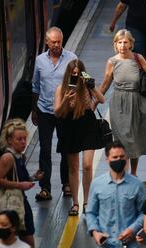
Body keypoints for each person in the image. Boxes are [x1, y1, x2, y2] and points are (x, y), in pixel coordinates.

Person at [99, 29, 146, 176]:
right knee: (123, 139)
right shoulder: (112, 62)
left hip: (137, 102)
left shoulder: (138, 58)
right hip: (119, 104)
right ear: (115, 44)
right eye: (119, 42)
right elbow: (105, 83)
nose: (122, 45)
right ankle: (123, 173)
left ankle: (134, 173)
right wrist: (94, 101)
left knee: (135, 139)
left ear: (131, 44)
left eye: (125, 42)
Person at [86, 141, 146, 248]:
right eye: (115, 157)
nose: (119, 160)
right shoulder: (97, 184)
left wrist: (133, 229)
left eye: (122, 157)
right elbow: (90, 212)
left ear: (126, 158)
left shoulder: (137, 185)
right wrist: (95, 232)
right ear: (107, 159)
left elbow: (144, 213)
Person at [54, 59, 105, 216]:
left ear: (83, 73)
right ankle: (76, 203)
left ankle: (87, 201)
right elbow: (57, 112)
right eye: (72, 73)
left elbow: (102, 100)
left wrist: (91, 86)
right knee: (74, 167)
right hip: (70, 126)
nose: (75, 76)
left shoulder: (87, 86)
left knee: (88, 165)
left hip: (88, 124)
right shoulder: (62, 89)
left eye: (78, 73)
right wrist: (65, 100)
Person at [31, 26, 77, 201]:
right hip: (45, 111)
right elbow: (35, 86)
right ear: (47, 42)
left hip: (65, 112)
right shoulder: (40, 60)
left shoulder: (72, 58)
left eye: (59, 42)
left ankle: (66, 184)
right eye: (53, 42)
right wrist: (34, 110)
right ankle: (45, 188)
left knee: (66, 148)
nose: (56, 45)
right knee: (45, 150)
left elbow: (79, 80)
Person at [0, 119, 43, 248]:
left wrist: (33, 177)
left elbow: (19, 176)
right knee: (21, 241)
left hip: (19, 201)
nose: (23, 142)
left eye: (24, 139)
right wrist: (20, 185)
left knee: (27, 240)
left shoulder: (19, 157)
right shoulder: (7, 158)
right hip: (9, 203)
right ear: (10, 140)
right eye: (19, 139)